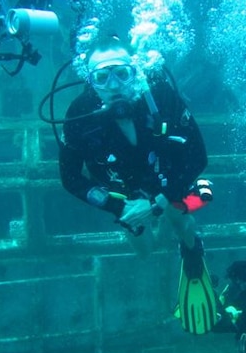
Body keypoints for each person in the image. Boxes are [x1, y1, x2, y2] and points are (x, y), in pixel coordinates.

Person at [58, 38, 216, 335]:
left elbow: (198, 156)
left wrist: (158, 201)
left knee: (182, 223)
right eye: (102, 77)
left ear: (136, 71)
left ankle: (191, 251)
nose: (114, 85)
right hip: (123, 193)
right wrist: (118, 205)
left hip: (167, 179)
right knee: (144, 250)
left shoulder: (161, 96)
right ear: (90, 81)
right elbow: (70, 178)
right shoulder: (79, 114)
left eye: (122, 73)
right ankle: (158, 243)